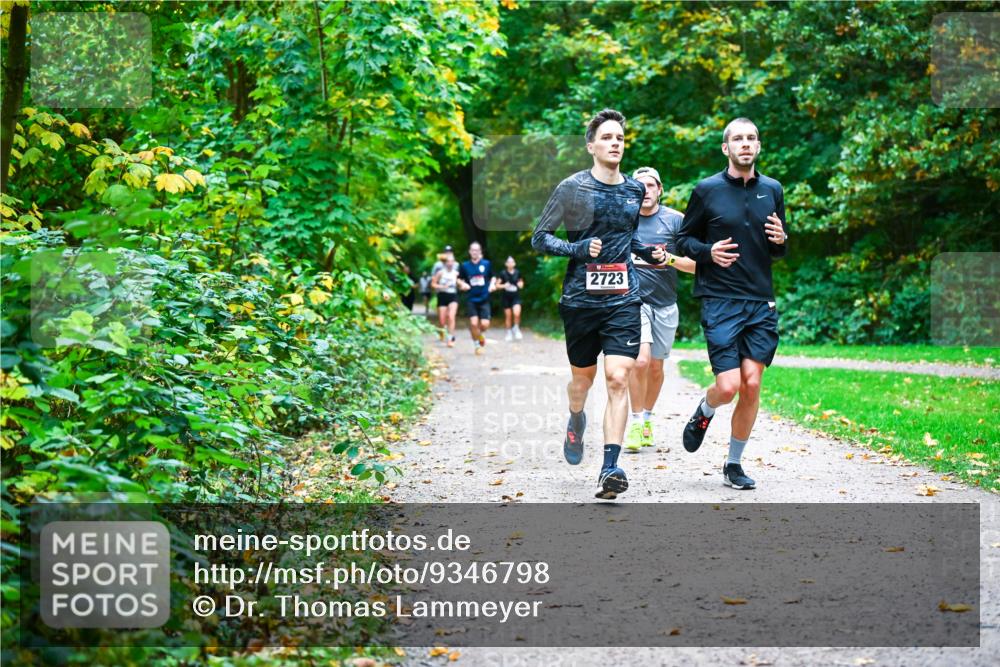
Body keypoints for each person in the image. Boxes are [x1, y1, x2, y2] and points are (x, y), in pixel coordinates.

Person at [532, 108, 665, 500]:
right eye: (607, 137)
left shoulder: (634, 191)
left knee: (618, 378)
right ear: (591, 145)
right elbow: (540, 238)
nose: (615, 143)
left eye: (620, 138)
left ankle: (610, 467)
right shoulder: (572, 188)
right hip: (580, 301)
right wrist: (576, 248)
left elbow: (626, 239)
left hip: (624, 297)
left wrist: (649, 251)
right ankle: (577, 417)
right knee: (582, 383)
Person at [675, 117, 788, 490]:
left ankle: (733, 465)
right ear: (726, 148)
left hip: (759, 301)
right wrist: (709, 252)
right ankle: (705, 411)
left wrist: (781, 238)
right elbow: (683, 242)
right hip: (720, 300)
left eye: (751, 138)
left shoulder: (772, 189)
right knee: (728, 386)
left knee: (752, 384)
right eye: (738, 138)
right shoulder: (707, 190)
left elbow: (778, 250)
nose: (745, 144)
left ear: (758, 146)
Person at [623, 167, 696, 452]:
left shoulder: (677, 221)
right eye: (640, 186)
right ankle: (636, 421)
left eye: (651, 185)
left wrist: (668, 259)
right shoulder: (623, 220)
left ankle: (648, 417)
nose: (646, 190)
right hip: (632, 303)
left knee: (655, 366)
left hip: (665, 304)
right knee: (639, 362)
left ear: (660, 189)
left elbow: (696, 266)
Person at [457, 242, 495, 355]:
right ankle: (477, 345)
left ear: (480, 252)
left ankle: (479, 334)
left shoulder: (487, 264)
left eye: (477, 250)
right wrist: (462, 284)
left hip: (484, 298)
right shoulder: (464, 266)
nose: (475, 252)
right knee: (473, 324)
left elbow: (493, 277)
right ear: (469, 252)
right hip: (471, 298)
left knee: (485, 324)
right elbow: (458, 279)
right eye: (473, 250)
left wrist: (492, 284)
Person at [431, 253, 460, 347]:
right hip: (442, 296)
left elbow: (461, 283)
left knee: (451, 316)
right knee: (442, 321)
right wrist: (442, 286)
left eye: (452, 261)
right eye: (448, 261)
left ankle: (451, 338)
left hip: (453, 296)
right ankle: (443, 331)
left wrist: (462, 285)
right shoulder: (441, 272)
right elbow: (433, 284)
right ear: (445, 263)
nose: (450, 263)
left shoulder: (456, 273)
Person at [495, 256, 525, 341]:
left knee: (517, 313)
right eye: (509, 262)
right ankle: (509, 333)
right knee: (508, 316)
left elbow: (521, 282)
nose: (511, 263)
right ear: (506, 264)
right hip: (506, 297)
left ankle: (516, 328)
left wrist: (520, 285)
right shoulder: (503, 273)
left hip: (515, 296)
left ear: (514, 263)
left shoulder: (517, 272)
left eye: (512, 262)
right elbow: (497, 285)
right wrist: (504, 285)